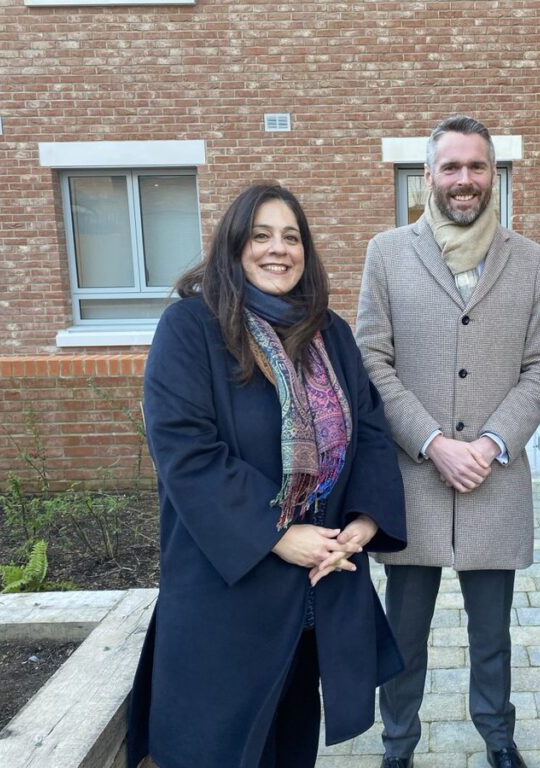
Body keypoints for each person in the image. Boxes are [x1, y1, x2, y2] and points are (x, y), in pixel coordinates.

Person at [126, 183, 407, 768]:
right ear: (234, 246)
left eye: (291, 237)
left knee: (291, 743)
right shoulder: (191, 329)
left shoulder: (328, 332)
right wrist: (277, 534)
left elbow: (370, 427)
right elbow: (186, 449)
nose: (277, 249)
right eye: (260, 236)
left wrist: (362, 520)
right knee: (221, 746)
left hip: (313, 591)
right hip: (228, 592)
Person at [356, 115, 540, 768]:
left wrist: (494, 441)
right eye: (452, 167)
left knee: (492, 635)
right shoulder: (387, 254)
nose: (465, 180)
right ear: (428, 176)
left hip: (492, 480)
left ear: (492, 174)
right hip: (413, 481)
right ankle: (398, 745)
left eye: (477, 167)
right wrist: (432, 441)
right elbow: (371, 360)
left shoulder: (530, 261)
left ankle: (498, 737)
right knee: (405, 634)